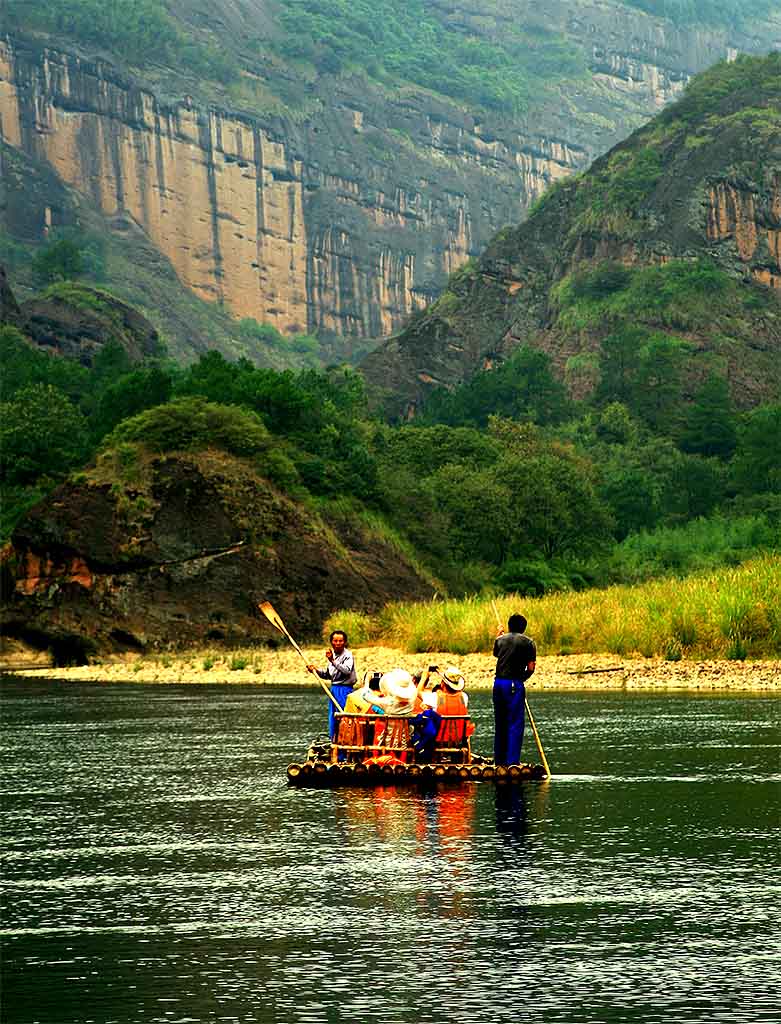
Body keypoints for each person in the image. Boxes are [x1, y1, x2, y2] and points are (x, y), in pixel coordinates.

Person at [492, 614, 536, 766]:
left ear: (509, 626)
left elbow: (497, 653)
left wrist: (499, 636)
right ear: (523, 628)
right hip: (513, 685)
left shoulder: (500, 640)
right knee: (515, 724)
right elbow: (531, 668)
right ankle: (512, 763)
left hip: (498, 684)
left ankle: (499, 761)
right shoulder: (529, 642)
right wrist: (520, 680)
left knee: (501, 722)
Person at [307, 629, 357, 739]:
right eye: (335, 641)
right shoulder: (333, 655)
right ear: (331, 642)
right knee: (333, 720)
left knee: (344, 718)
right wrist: (315, 671)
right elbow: (328, 675)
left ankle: (345, 747)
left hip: (345, 690)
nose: (338, 643)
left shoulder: (348, 655)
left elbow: (347, 671)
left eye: (340, 641)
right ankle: (334, 744)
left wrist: (332, 661)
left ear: (344, 642)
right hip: (334, 690)